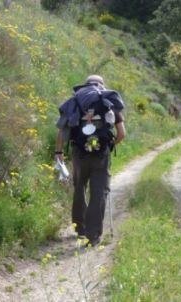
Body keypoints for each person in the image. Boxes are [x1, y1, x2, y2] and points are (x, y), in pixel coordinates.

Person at [55, 75, 126, 246]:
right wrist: (109, 145)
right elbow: (122, 134)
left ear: (85, 86)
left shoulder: (73, 102)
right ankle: (92, 236)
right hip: (101, 154)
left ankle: (80, 228)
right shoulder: (108, 102)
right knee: (98, 192)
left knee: (79, 188)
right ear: (101, 85)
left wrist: (58, 152)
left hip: (79, 153)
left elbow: (62, 131)